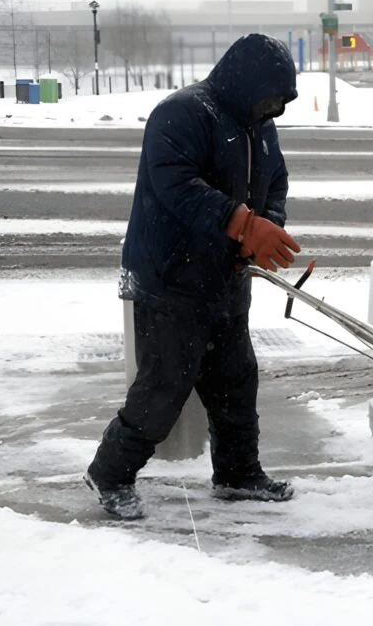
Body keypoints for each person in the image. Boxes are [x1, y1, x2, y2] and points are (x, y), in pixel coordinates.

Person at [84, 33, 302, 520]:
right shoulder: (182, 113)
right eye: (269, 96)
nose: (273, 109)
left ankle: (238, 474)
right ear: (245, 81)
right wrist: (242, 223)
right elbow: (175, 184)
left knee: (236, 381)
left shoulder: (258, 124)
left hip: (224, 277)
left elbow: (276, 180)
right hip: (170, 277)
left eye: (280, 101)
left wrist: (268, 226)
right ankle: (110, 473)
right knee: (164, 386)